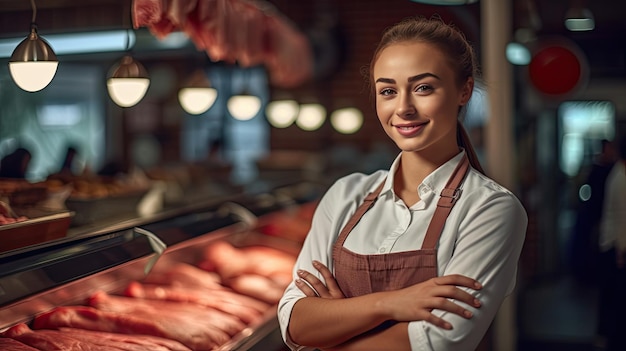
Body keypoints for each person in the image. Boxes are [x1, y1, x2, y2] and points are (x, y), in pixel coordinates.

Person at [277, 16, 528, 351]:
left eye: (423, 87)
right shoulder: (345, 194)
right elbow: (294, 322)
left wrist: (335, 326)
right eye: (388, 91)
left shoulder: (490, 209)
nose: (404, 108)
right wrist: (392, 303)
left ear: (464, 90)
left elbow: (437, 341)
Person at [597, 135, 626, 351]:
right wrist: (622, 251)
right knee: (615, 299)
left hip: (611, 244)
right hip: (615, 247)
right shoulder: (622, 177)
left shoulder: (618, 172)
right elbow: (622, 219)